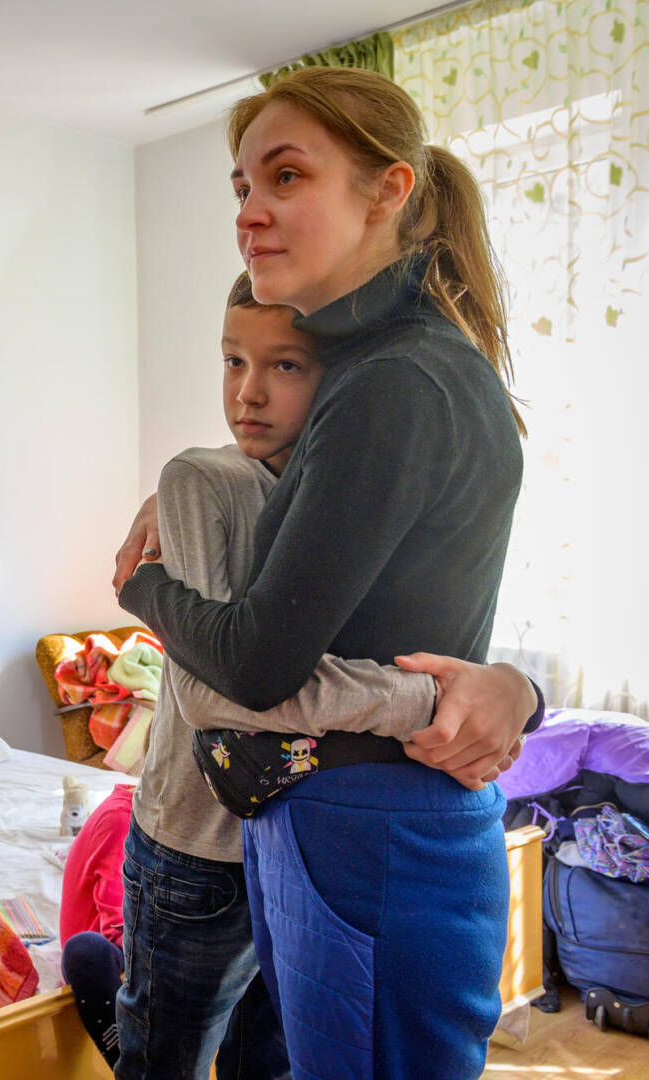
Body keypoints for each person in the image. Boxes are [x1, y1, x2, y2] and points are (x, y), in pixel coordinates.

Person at [117, 67, 541, 1079]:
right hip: (351, 818)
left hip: (372, 827)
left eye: (287, 176)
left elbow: (258, 665)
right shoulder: (390, 372)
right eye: (240, 188)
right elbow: (421, 593)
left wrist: (141, 591)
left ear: (388, 191)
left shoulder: (393, 380)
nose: (250, 213)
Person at [73, 272, 481, 1080]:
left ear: (336, 378)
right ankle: (120, 1022)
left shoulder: (345, 494)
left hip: (302, 847)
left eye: (285, 366)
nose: (247, 392)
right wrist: (422, 701)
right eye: (231, 362)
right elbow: (206, 686)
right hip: (197, 847)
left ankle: (121, 1019)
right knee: (166, 1061)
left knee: (267, 1060)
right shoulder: (205, 478)